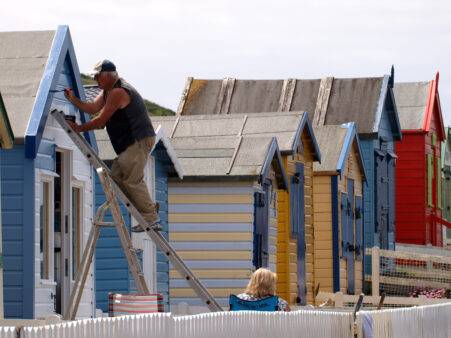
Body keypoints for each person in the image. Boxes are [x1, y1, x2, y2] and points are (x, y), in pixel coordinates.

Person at [64, 59, 160, 232]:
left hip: (138, 140)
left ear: (108, 75)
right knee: (115, 177)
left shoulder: (118, 91)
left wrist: (78, 128)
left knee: (132, 180)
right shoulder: (108, 90)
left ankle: (151, 218)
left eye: (97, 77)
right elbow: (93, 108)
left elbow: (100, 120)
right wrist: (73, 99)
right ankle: (149, 208)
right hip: (129, 144)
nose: (95, 81)